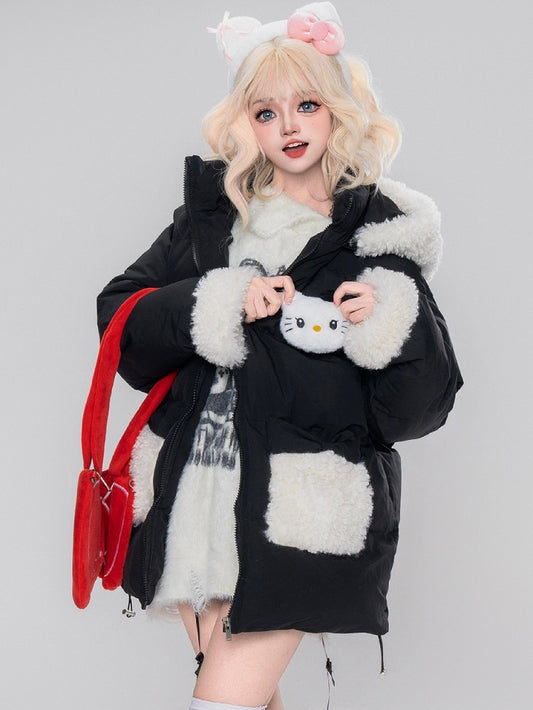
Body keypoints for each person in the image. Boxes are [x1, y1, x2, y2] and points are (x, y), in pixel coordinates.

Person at [96, 3, 463, 709]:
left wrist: (394, 323)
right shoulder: (213, 225)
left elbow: (415, 413)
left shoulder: (377, 235)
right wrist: (220, 298)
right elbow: (121, 320)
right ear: (246, 124)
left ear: (337, 112)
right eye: (266, 112)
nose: (289, 126)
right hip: (194, 497)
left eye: (306, 105)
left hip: (294, 511)